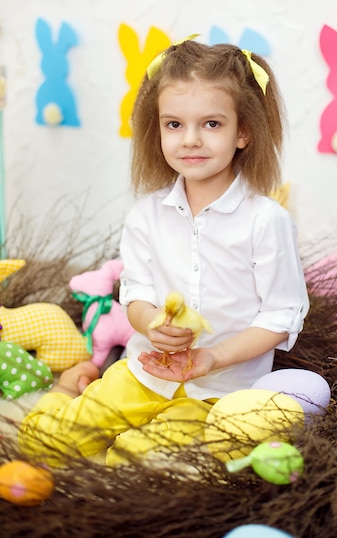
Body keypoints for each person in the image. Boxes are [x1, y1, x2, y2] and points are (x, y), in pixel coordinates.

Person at [18, 38, 309, 467]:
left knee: (135, 466)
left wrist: (213, 357)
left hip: (217, 391)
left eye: (211, 124)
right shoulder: (145, 216)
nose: (190, 140)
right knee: (41, 445)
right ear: (158, 129)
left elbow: (281, 317)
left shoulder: (265, 220)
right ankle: (67, 388)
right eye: (174, 124)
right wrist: (151, 323)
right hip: (143, 373)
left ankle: (134, 437)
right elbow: (135, 293)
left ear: (243, 131)